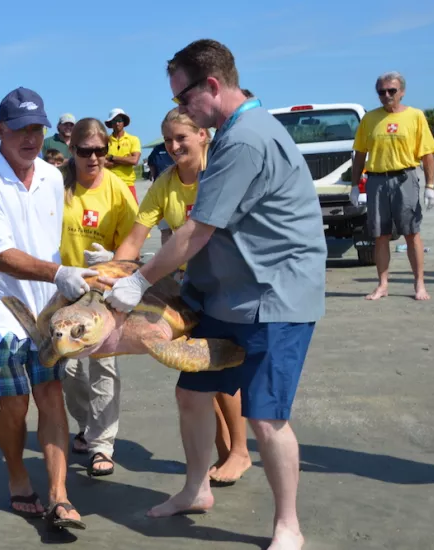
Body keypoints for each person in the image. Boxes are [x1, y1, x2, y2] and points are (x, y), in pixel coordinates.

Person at [103, 39, 326, 549]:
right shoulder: (231, 135)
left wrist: (137, 282)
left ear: (212, 85)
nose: (182, 110)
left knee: (266, 417)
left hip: (275, 299)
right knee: (192, 394)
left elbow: (197, 230)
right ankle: (196, 489)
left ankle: (288, 525)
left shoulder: (246, 138)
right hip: (231, 297)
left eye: (184, 99)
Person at [0, 87, 90, 530]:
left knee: (51, 394)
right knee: (14, 404)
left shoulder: (54, 178)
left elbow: (49, 241)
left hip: (44, 304)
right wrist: (58, 273)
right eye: (21, 129)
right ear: (1, 131)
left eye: (37, 128)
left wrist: (76, 271)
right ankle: (18, 475)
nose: (31, 138)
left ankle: (59, 494)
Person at [114, 108, 253, 485]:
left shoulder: (218, 174)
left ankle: (240, 451)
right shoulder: (165, 183)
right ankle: (226, 455)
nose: (174, 147)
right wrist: (113, 274)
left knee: (222, 371)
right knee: (201, 371)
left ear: (204, 136)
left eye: (182, 138)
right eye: (168, 140)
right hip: (191, 290)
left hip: (231, 285)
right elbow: (135, 237)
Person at [57, 118, 137, 477]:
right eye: (84, 151)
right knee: (68, 366)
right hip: (62, 287)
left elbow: (132, 242)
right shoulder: (56, 184)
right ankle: (88, 423)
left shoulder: (117, 189)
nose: (93, 158)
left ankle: (102, 444)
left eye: (100, 151)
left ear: (108, 151)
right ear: (71, 149)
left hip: (102, 289)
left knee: (104, 363)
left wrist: (114, 261)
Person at [352, 71, 434, 301]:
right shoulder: (369, 119)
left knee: (411, 232)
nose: (387, 95)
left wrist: (430, 185)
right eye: (382, 91)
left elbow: (427, 153)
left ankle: (419, 284)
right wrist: (354, 185)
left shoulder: (415, 116)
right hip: (377, 180)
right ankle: (382, 285)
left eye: (392, 91)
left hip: (405, 178)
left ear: (402, 92)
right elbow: (360, 154)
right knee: (380, 235)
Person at [104, 109, 142, 200]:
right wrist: (125, 159)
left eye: (119, 120)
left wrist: (112, 157)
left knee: (132, 213)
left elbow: (134, 160)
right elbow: (103, 164)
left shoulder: (133, 139)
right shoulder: (105, 141)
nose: (117, 123)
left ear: (123, 122)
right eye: (114, 121)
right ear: (111, 123)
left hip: (128, 184)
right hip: (110, 184)